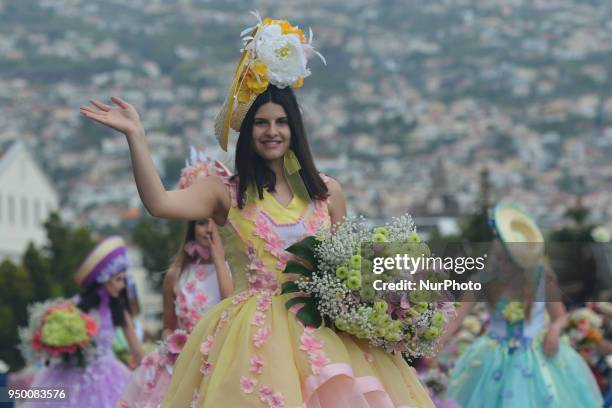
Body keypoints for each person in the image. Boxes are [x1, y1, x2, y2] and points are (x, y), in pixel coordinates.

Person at [80, 15, 434, 407]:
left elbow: (346, 271)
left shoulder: (327, 191)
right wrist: (137, 138)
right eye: (261, 123)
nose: (272, 131)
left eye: (282, 122)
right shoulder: (224, 193)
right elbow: (159, 203)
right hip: (252, 340)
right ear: (246, 132)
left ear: (294, 129)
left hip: (326, 334)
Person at [440, 204, 603, 407]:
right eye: (497, 259)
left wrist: (554, 329)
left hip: (537, 354)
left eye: (506, 261)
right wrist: (437, 342)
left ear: (521, 262)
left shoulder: (542, 279)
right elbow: (457, 317)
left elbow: (560, 316)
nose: (500, 265)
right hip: (493, 354)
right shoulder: (483, 280)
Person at [119, 151, 234, 408]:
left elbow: (232, 305)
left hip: (220, 361)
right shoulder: (177, 274)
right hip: (181, 365)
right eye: (202, 223)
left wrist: (218, 258)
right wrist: (174, 349)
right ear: (192, 227)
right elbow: (169, 326)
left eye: (214, 222)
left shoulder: (232, 269)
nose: (209, 229)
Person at [24, 237, 144, 408]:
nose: (122, 285)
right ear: (105, 279)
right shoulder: (75, 306)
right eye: (118, 279)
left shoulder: (119, 311)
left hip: (108, 377)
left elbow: (137, 351)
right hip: (68, 376)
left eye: (123, 279)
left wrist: (152, 374)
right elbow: (54, 330)